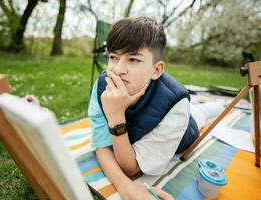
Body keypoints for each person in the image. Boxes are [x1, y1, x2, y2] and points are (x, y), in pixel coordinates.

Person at [88, 16, 223, 200]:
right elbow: (102, 146)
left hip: (184, 128)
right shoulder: (102, 87)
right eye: (113, 57)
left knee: (202, 114)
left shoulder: (177, 104)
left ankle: (219, 105)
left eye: (133, 59)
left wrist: (116, 116)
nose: (118, 69)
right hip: (144, 126)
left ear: (156, 70)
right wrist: (126, 187)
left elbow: (130, 167)